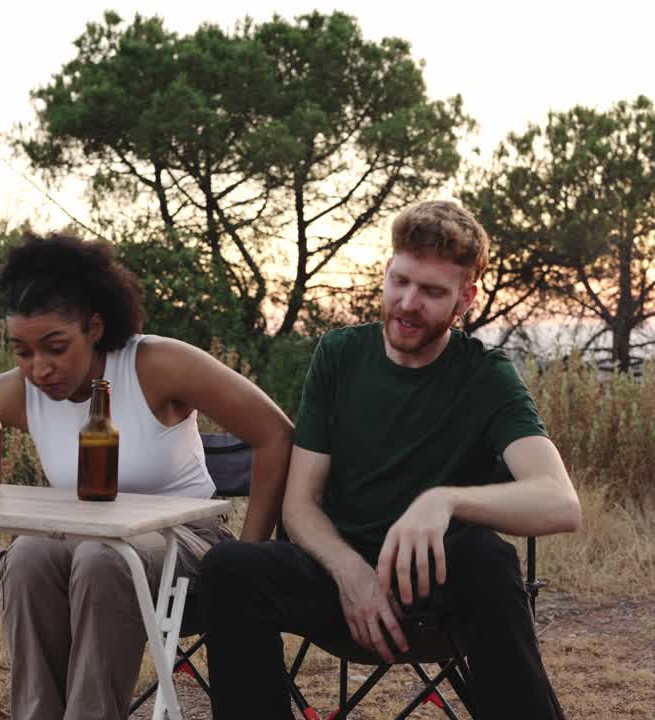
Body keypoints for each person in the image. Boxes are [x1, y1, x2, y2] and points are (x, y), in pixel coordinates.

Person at [200, 200, 580, 719]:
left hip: (430, 591)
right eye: (400, 281)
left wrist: (443, 501)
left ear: (465, 299)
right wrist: (351, 575)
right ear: (387, 270)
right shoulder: (339, 356)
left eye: (432, 292)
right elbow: (301, 505)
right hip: (334, 584)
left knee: (487, 556)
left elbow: (561, 502)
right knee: (230, 566)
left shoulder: (485, 376)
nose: (406, 303)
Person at [0, 233, 292, 720]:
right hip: (79, 542)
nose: (38, 368)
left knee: (103, 557)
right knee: (25, 554)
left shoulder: (156, 365)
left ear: (94, 326)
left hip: (182, 543)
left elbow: (276, 435)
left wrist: (248, 556)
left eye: (55, 347)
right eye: (22, 352)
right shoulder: (18, 391)